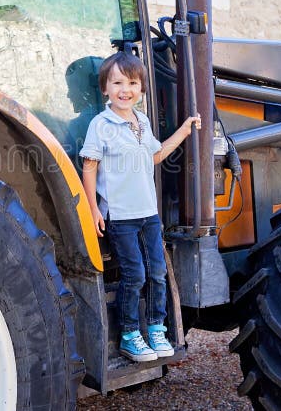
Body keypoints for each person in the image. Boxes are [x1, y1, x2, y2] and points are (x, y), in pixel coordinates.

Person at [79, 51, 201, 362]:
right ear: (105, 88)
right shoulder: (101, 124)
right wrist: (93, 209)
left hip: (149, 214)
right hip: (120, 216)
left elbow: (155, 157)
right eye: (117, 82)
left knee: (157, 273)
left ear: (141, 88)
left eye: (132, 82)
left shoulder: (142, 121)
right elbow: (90, 167)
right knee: (134, 276)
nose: (125, 89)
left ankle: (156, 328)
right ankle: (130, 334)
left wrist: (184, 132)